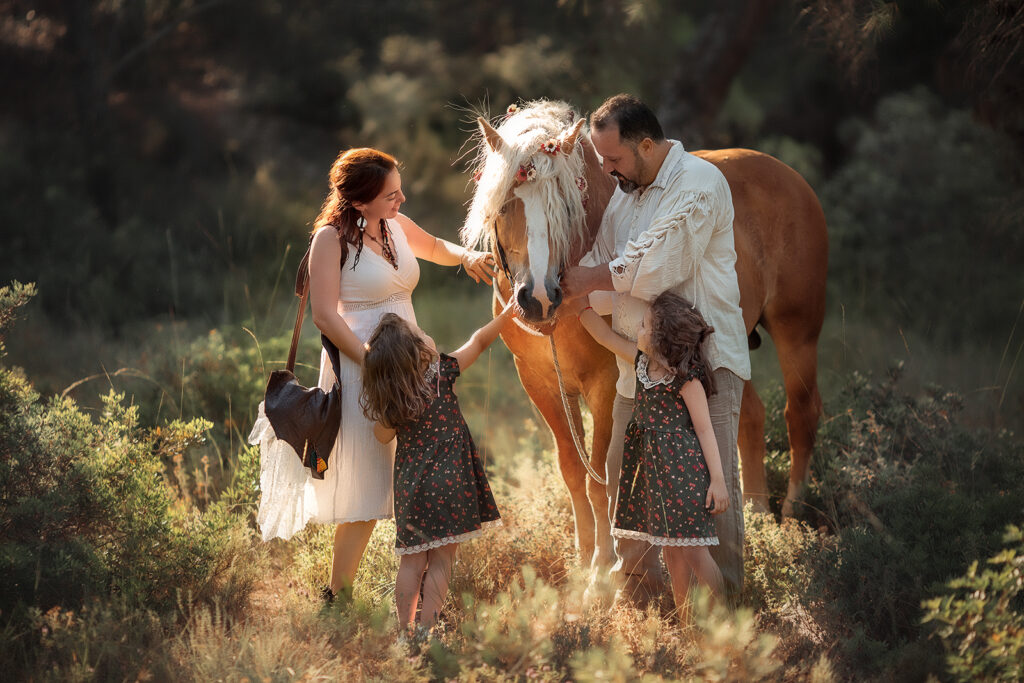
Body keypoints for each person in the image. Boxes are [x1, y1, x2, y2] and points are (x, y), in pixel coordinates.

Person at [562, 94, 750, 600]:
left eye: (615, 159)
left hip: (702, 369)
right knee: (630, 482)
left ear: (646, 145)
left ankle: (724, 614)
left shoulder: (699, 184)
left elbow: (655, 267)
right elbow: (602, 257)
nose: (608, 170)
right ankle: (644, 601)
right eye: (601, 160)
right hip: (639, 371)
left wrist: (588, 281)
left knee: (711, 496)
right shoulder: (626, 193)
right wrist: (574, 285)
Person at [306, 147, 496, 604]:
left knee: (414, 475)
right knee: (366, 490)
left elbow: (434, 247)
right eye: (391, 194)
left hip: (409, 368)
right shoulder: (330, 240)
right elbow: (324, 317)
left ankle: (416, 590)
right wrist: (374, 363)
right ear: (359, 201)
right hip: (362, 371)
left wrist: (467, 255)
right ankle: (339, 596)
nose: (402, 199)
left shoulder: (395, 227)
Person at [566, 291, 728, 613]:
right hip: (657, 479)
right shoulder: (643, 365)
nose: (638, 329)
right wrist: (579, 306)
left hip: (683, 477)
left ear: (661, 337)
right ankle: (686, 622)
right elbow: (604, 336)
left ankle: (728, 615)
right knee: (670, 553)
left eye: (644, 325)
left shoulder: (686, 379)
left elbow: (705, 430)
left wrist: (718, 481)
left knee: (695, 553)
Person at [361, 304, 513, 634]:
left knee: (412, 561)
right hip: (451, 482)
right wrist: (506, 315)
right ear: (420, 351)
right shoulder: (443, 372)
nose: (424, 332)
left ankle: (405, 634)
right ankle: (427, 630)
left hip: (413, 488)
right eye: (419, 333)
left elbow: (380, 435)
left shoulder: (397, 398)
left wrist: (391, 406)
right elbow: (479, 341)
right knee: (442, 559)